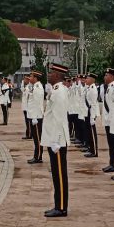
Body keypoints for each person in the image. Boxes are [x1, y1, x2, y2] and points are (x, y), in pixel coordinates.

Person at [41, 63, 71, 217]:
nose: (49, 74)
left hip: (56, 140)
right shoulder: (56, 90)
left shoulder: (59, 92)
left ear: (58, 76)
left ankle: (61, 207)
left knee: (59, 174)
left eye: (52, 72)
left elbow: (59, 118)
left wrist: (56, 141)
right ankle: (58, 205)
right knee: (56, 174)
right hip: (54, 138)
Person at [102, 68, 114, 173]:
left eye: (107, 75)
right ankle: (111, 163)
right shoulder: (109, 87)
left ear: (112, 77)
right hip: (108, 120)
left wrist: (113, 119)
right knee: (111, 144)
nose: (105, 77)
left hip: (113, 120)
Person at [25, 70, 45, 163]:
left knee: (38, 138)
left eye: (31, 76)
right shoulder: (34, 86)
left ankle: (38, 157)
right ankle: (37, 156)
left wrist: (35, 117)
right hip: (33, 115)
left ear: (36, 78)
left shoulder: (38, 88)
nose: (30, 78)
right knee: (35, 138)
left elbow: (38, 103)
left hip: (36, 117)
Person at [83, 73, 100, 158]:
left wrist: (92, 117)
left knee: (92, 132)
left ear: (92, 80)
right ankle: (91, 148)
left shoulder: (93, 89)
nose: (86, 79)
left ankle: (94, 152)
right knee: (89, 132)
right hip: (88, 111)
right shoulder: (89, 88)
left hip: (91, 112)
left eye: (88, 78)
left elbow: (93, 104)